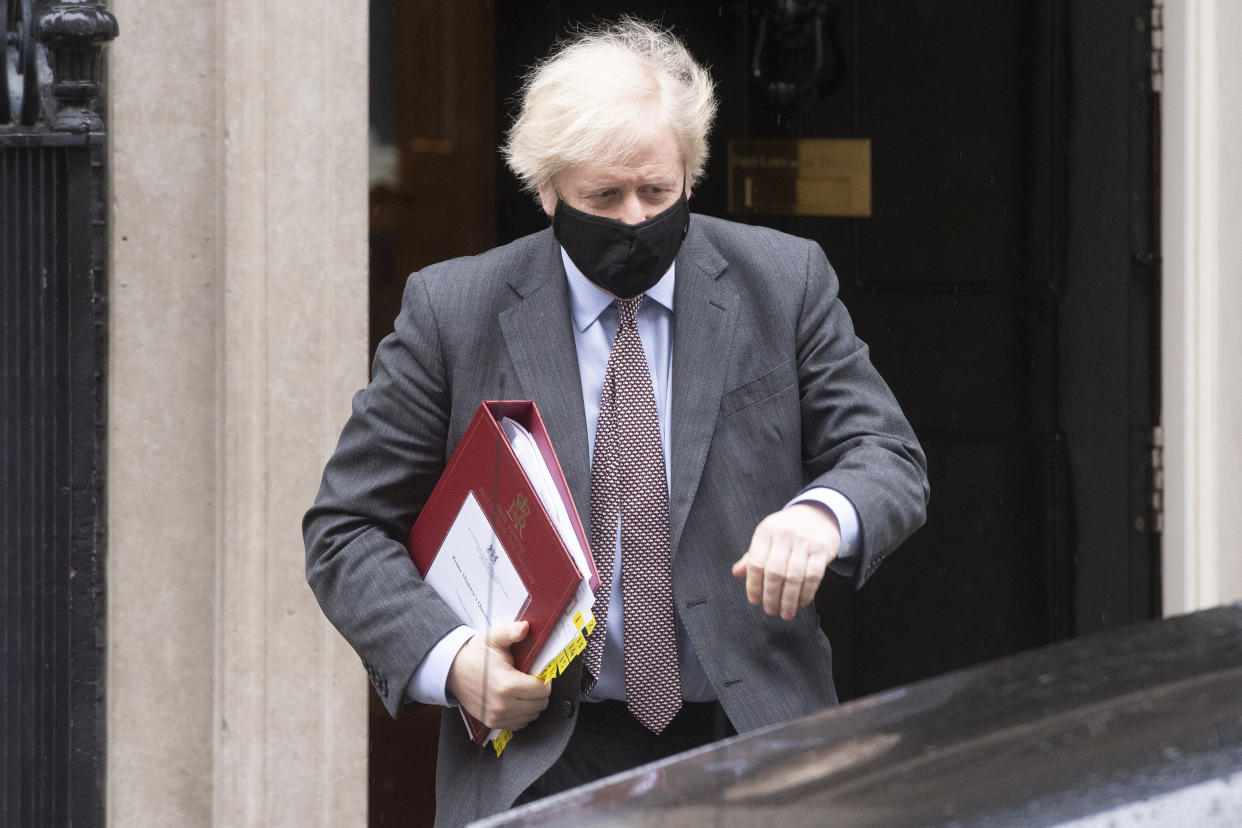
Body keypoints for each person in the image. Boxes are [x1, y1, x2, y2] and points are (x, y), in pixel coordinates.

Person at [304, 18, 928, 827]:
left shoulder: (784, 281)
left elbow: (885, 454)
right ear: (546, 188)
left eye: (657, 192)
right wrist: (450, 660)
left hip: (750, 739)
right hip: (542, 757)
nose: (634, 219)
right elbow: (346, 529)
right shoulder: (454, 311)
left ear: (689, 175)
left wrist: (823, 514)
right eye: (604, 196)